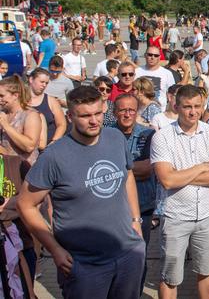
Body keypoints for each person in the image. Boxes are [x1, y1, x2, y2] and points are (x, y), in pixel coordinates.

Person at [17, 86, 145, 299]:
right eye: (85, 116)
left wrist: (136, 220)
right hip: (83, 264)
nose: (94, 121)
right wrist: (55, 249)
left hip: (128, 253)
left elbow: (128, 175)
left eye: (98, 113)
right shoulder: (53, 156)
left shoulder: (115, 137)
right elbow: (25, 205)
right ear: (70, 116)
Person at [150, 84, 209, 299]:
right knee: (170, 277)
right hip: (176, 217)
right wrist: (201, 167)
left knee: (206, 271)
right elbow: (166, 180)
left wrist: (180, 175)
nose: (193, 112)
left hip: (208, 215)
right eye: (187, 107)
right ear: (176, 106)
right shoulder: (162, 137)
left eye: (197, 106)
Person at [112, 94, 156, 294]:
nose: (127, 114)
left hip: (142, 206)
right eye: (122, 110)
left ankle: (135, 294)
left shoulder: (148, 135)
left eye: (131, 110)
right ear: (114, 113)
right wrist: (130, 169)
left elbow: (147, 168)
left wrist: (113, 171)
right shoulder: (105, 135)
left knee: (138, 255)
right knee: (113, 255)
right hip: (112, 207)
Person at [28, 68, 66, 144]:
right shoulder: (19, 99)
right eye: (42, 82)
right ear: (31, 79)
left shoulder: (51, 101)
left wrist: (54, 141)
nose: (44, 85)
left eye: (46, 83)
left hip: (47, 147)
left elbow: (62, 124)